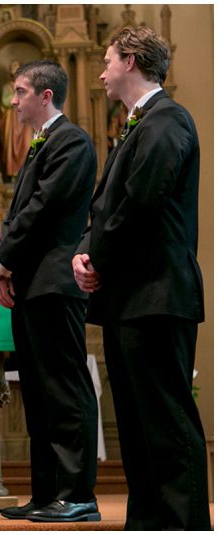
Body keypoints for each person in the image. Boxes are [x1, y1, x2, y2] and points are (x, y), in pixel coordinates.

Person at [72, 27, 210, 530]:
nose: (102, 70)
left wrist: (96, 257)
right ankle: (149, 521)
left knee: (166, 423)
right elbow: (111, 204)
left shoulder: (167, 119)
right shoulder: (137, 123)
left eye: (108, 60)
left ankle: (184, 523)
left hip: (157, 295)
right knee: (136, 426)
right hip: (133, 297)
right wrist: (87, 252)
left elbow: (142, 201)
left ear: (131, 61)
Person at [0, 61, 100, 523]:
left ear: (45, 96)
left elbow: (41, 209)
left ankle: (77, 494)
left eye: (19, 91)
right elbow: (18, 214)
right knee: (37, 391)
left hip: (55, 283)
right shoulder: (39, 145)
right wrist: (10, 270)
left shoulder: (70, 140)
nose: (13, 101)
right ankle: (47, 492)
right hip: (32, 284)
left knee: (64, 389)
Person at [0, 60, 33, 178]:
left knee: (28, 145)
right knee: (12, 147)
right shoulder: (7, 87)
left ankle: (28, 174)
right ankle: (14, 175)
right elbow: (5, 101)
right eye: (13, 67)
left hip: (26, 121)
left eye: (18, 67)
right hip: (12, 120)